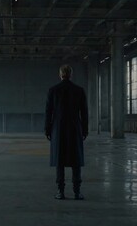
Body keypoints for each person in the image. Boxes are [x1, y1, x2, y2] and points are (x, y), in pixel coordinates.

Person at [44, 64, 88, 200]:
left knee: (60, 161)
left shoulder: (53, 90)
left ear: (60, 74)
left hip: (58, 128)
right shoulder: (79, 90)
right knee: (76, 161)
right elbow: (84, 113)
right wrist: (84, 130)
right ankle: (77, 192)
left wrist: (47, 129)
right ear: (71, 74)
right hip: (75, 128)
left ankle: (60, 192)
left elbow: (48, 112)